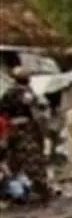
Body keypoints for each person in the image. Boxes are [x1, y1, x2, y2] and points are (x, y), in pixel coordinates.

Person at [0, 68, 49, 202]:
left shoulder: (7, 93)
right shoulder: (28, 93)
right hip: (26, 129)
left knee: (13, 160)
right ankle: (37, 190)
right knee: (33, 159)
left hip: (11, 129)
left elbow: (3, 113)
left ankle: (12, 191)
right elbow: (36, 114)